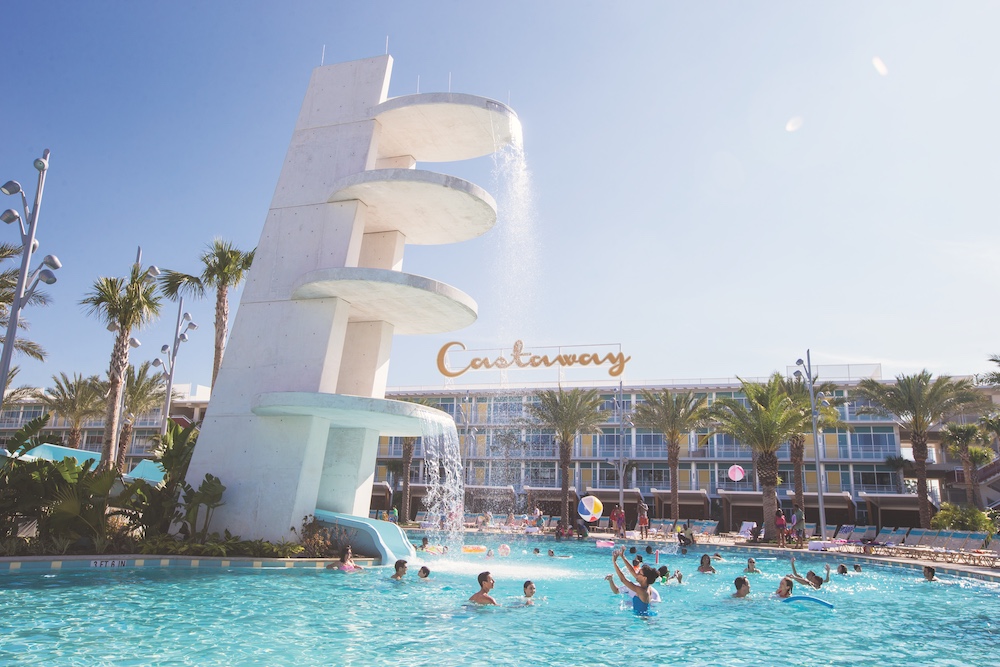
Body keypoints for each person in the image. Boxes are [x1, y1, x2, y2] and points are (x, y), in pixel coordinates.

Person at [611, 547, 658, 615]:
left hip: (642, 620)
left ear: (644, 578)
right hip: (642, 618)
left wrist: (614, 562)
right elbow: (631, 570)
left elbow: (623, 579)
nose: (636, 574)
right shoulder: (647, 586)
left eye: (639, 573)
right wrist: (623, 557)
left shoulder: (642, 591)